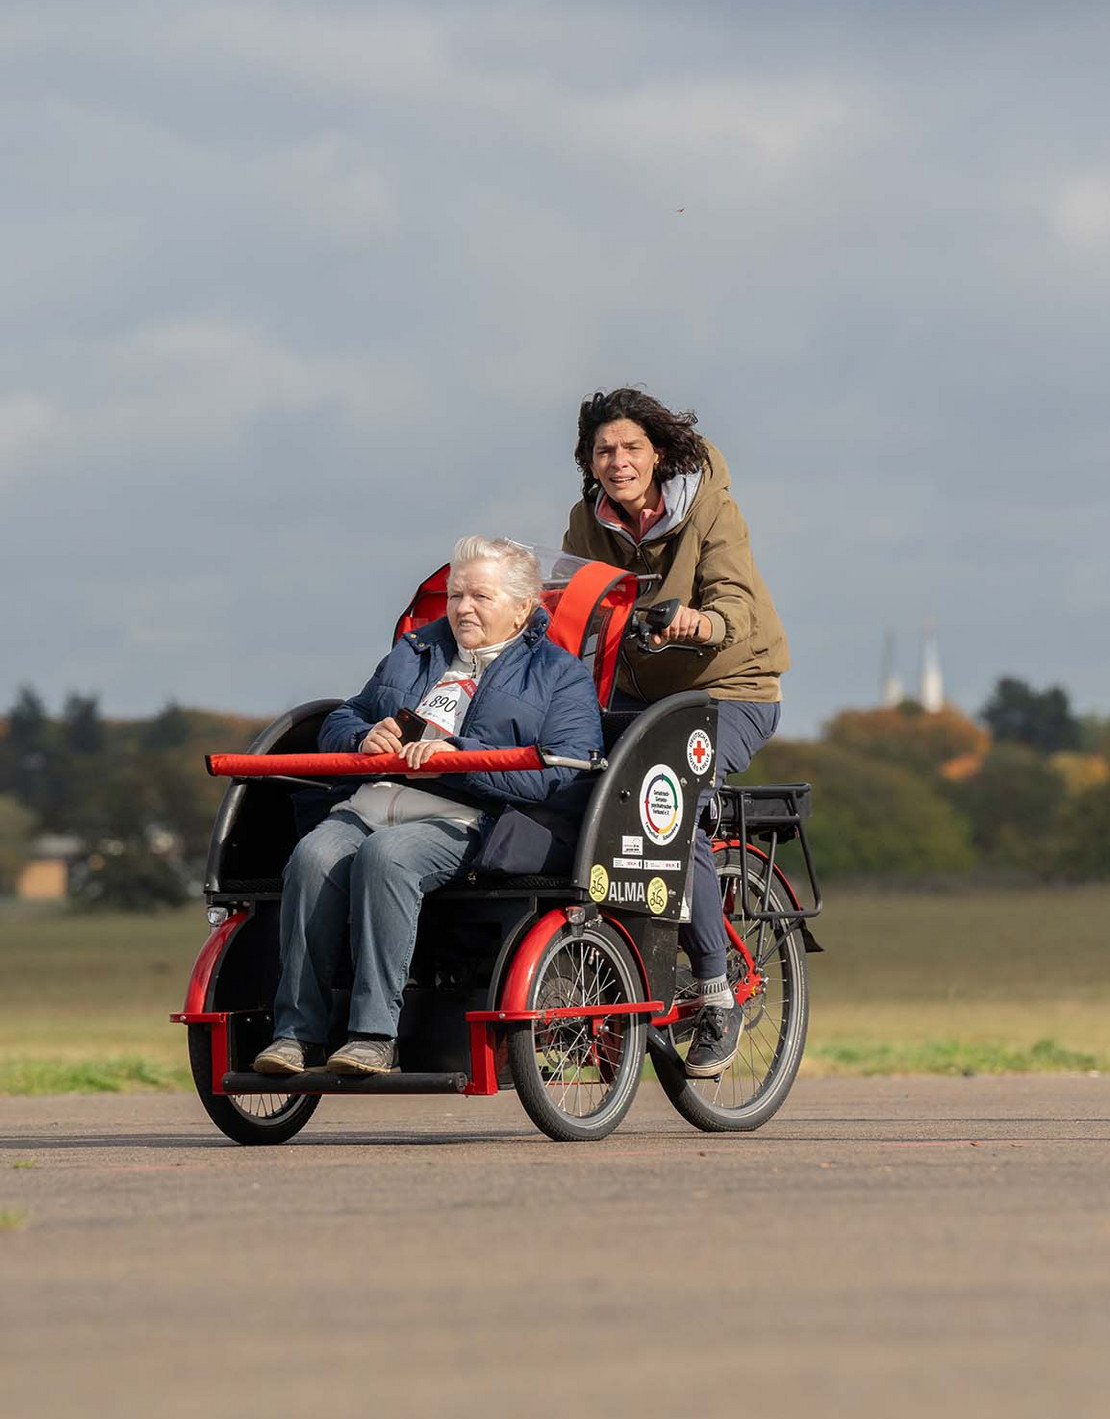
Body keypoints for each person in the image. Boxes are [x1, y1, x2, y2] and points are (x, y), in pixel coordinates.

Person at [253, 536, 603, 1078]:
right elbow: (341, 719)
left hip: (465, 816)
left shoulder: (560, 676)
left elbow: (566, 770)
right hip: (374, 800)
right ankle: (295, 1036)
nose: (463, 607)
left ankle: (373, 1037)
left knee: (387, 857)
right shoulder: (413, 651)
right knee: (312, 855)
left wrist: (459, 756)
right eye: (456, 594)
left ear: (523, 608)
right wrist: (363, 737)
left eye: (480, 597)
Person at [563, 388, 789, 1078]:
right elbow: (575, 604)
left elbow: (738, 606)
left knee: (671, 806)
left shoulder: (709, 506)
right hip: (640, 691)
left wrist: (698, 622)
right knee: (570, 791)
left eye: (631, 447)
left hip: (730, 687)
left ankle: (718, 995)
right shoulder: (586, 521)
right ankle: (605, 979)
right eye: (605, 449)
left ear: (657, 453)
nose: (618, 460)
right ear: (590, 460)